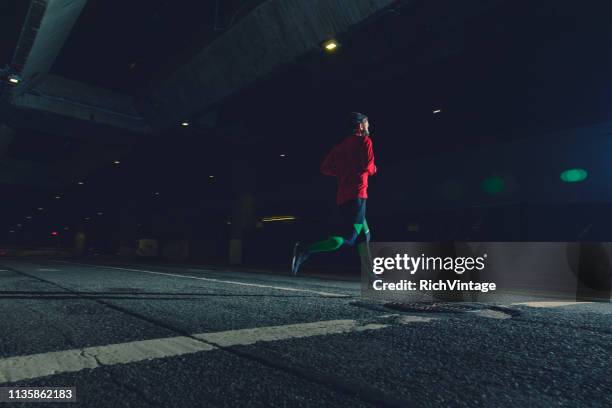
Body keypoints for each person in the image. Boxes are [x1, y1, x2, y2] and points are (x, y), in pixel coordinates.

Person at [291, 112, 377, 275]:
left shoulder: (339, 147)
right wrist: (374, 169)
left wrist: (343, 173)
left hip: (344, 198)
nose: (368, 127)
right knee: (349, 239)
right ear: (359, 126)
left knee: (365, 234)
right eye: (366, 123)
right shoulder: (364, 141)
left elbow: (325, 168)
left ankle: (370, 275)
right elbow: (368, 166)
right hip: (358, 196)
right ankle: (305, 249)